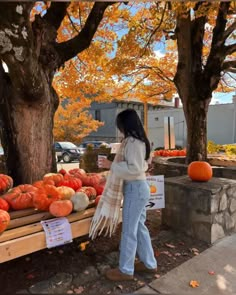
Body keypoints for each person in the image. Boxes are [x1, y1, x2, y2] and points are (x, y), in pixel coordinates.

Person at [89, 109, 157, 281]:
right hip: (139, 188)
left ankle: (126, 270)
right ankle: (149, 264)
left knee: (129, 229)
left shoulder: (133, 142)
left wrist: (110, 164)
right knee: (139, 227)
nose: (119, 128)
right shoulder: (140, 141)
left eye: (120, 124)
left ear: (126, 124)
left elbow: (133, 169)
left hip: (135, 189)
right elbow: (142, 166)